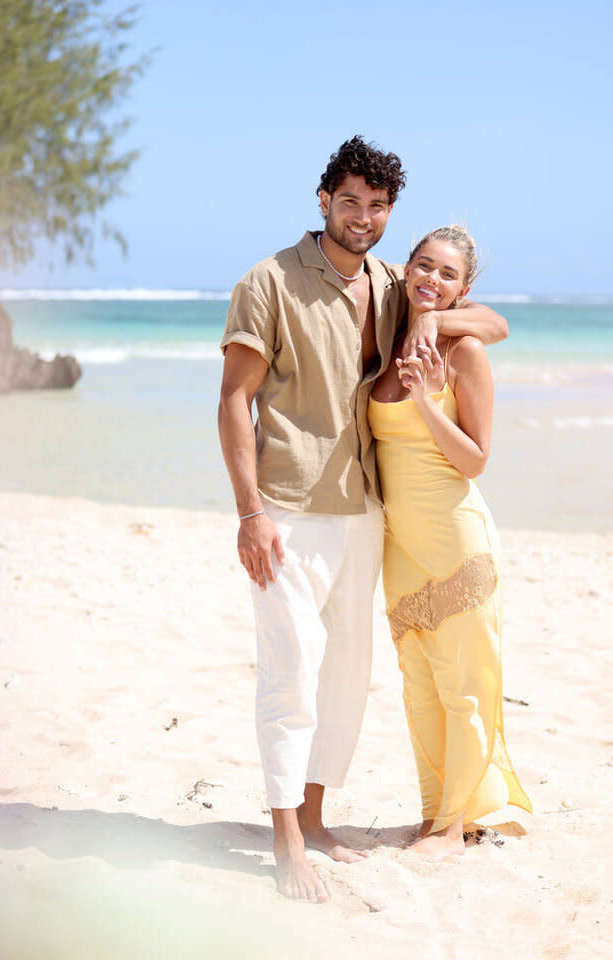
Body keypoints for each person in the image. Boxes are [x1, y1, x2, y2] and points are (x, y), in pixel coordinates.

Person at [218, 137, 509, 901]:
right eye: (350, 201)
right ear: (322, 199)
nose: (362, 217)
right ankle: (287, 842)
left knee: (347, 678)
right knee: (291, 673)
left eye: (378, 207)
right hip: (286, 506)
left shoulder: (389, 281)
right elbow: (233, 401)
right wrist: (250, 512)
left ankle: (314, 820)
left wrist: (432, 327)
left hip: (366, 509)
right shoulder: (269, 280)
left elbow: (488, 320)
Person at [369, 225, 532, 861]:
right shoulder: (385, 339)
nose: (431, 280)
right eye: (423, 266)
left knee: (464, 683)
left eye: (446, 274)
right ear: (404, 269)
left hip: (457, 536)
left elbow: (475, 460)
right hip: (401, 544)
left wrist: (425, 401)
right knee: (420, 684)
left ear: (462, 289)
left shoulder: (463, 351)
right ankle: (435, 813)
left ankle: (452, 827)